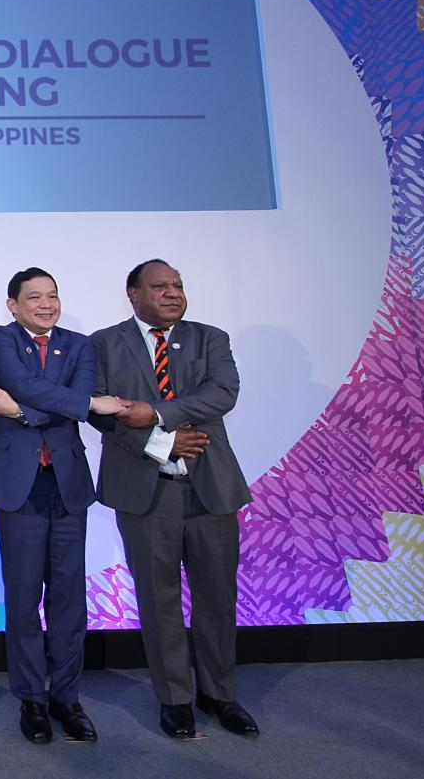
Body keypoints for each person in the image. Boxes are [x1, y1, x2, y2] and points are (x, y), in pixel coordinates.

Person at [89, 259, 258, 739]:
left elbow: (222, 393)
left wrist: (156, 414)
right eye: (159, 286)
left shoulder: (211, 338)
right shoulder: (105, 343)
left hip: (212, 487)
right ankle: (175, 698)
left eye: (178, 286)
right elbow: (98, 410)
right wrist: (159, 440)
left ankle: (220, 694)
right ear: (132, 293)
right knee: (158, 599)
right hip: (146, 489)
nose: (172, 294)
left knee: (217, 598)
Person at [0, 267, 125, 745]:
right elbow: (31, 386)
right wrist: (79, 405)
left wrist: (20, 411)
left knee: (68, 599)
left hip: (66, 483)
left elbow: (67, 397)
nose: (45, 304)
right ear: (13, 304)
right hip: (18, 483)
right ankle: (31, 700)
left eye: (52, 296)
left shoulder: (80, 345)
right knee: (21, 598)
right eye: (34, 297)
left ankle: (67, 697)